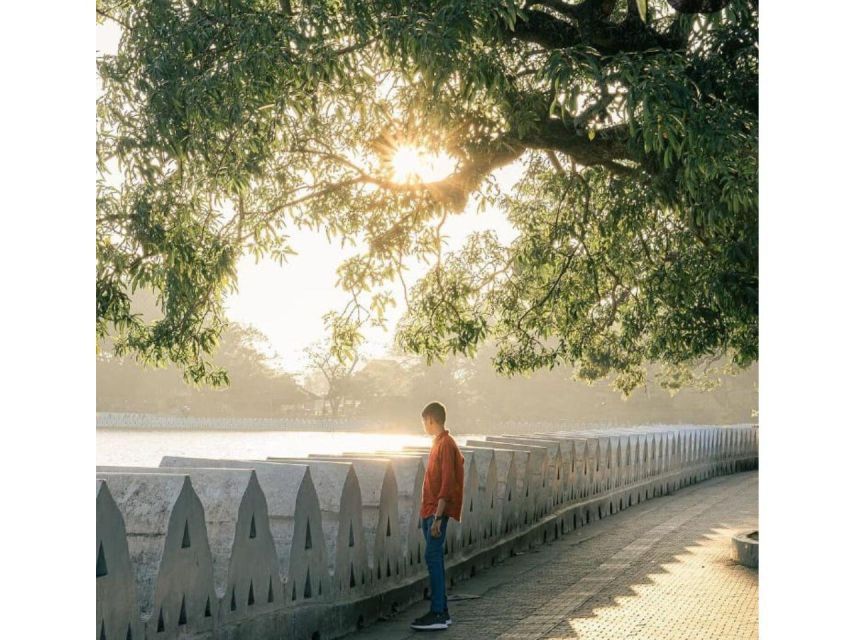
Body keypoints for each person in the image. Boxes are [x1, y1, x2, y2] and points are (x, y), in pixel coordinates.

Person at [410, 401, 465, 631]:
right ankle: (442, 610)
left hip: (436, 513)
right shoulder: (440, 443)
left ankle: (438, 613)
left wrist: (437, 517)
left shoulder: (445, 445)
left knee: (432, 559)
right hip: (430, 510)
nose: (424, 426)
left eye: (424, 421)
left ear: (431, 420)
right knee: (435, 559)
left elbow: (447, 483)